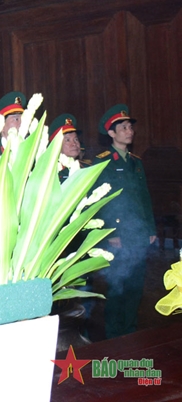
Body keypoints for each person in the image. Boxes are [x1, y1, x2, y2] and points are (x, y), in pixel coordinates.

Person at [93, 104, 157, 338]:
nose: (129, 131)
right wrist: (111, 233)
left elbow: (144, 197)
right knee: (118, 286)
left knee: (135, 286)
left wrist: (150, 227)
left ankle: (130, 332)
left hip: (138, 233)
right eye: (123, 127)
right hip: (119, 235)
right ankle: (113, 334)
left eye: (130, 126)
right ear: (111, 133)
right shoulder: (103, 162)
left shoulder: (136, 162)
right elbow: (103, 200)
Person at [49, 114, 87, 183]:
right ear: (56, 145)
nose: (74, 144)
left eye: (76, 139)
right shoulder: (51, 172)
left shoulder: (87, 168)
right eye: (67, 140)